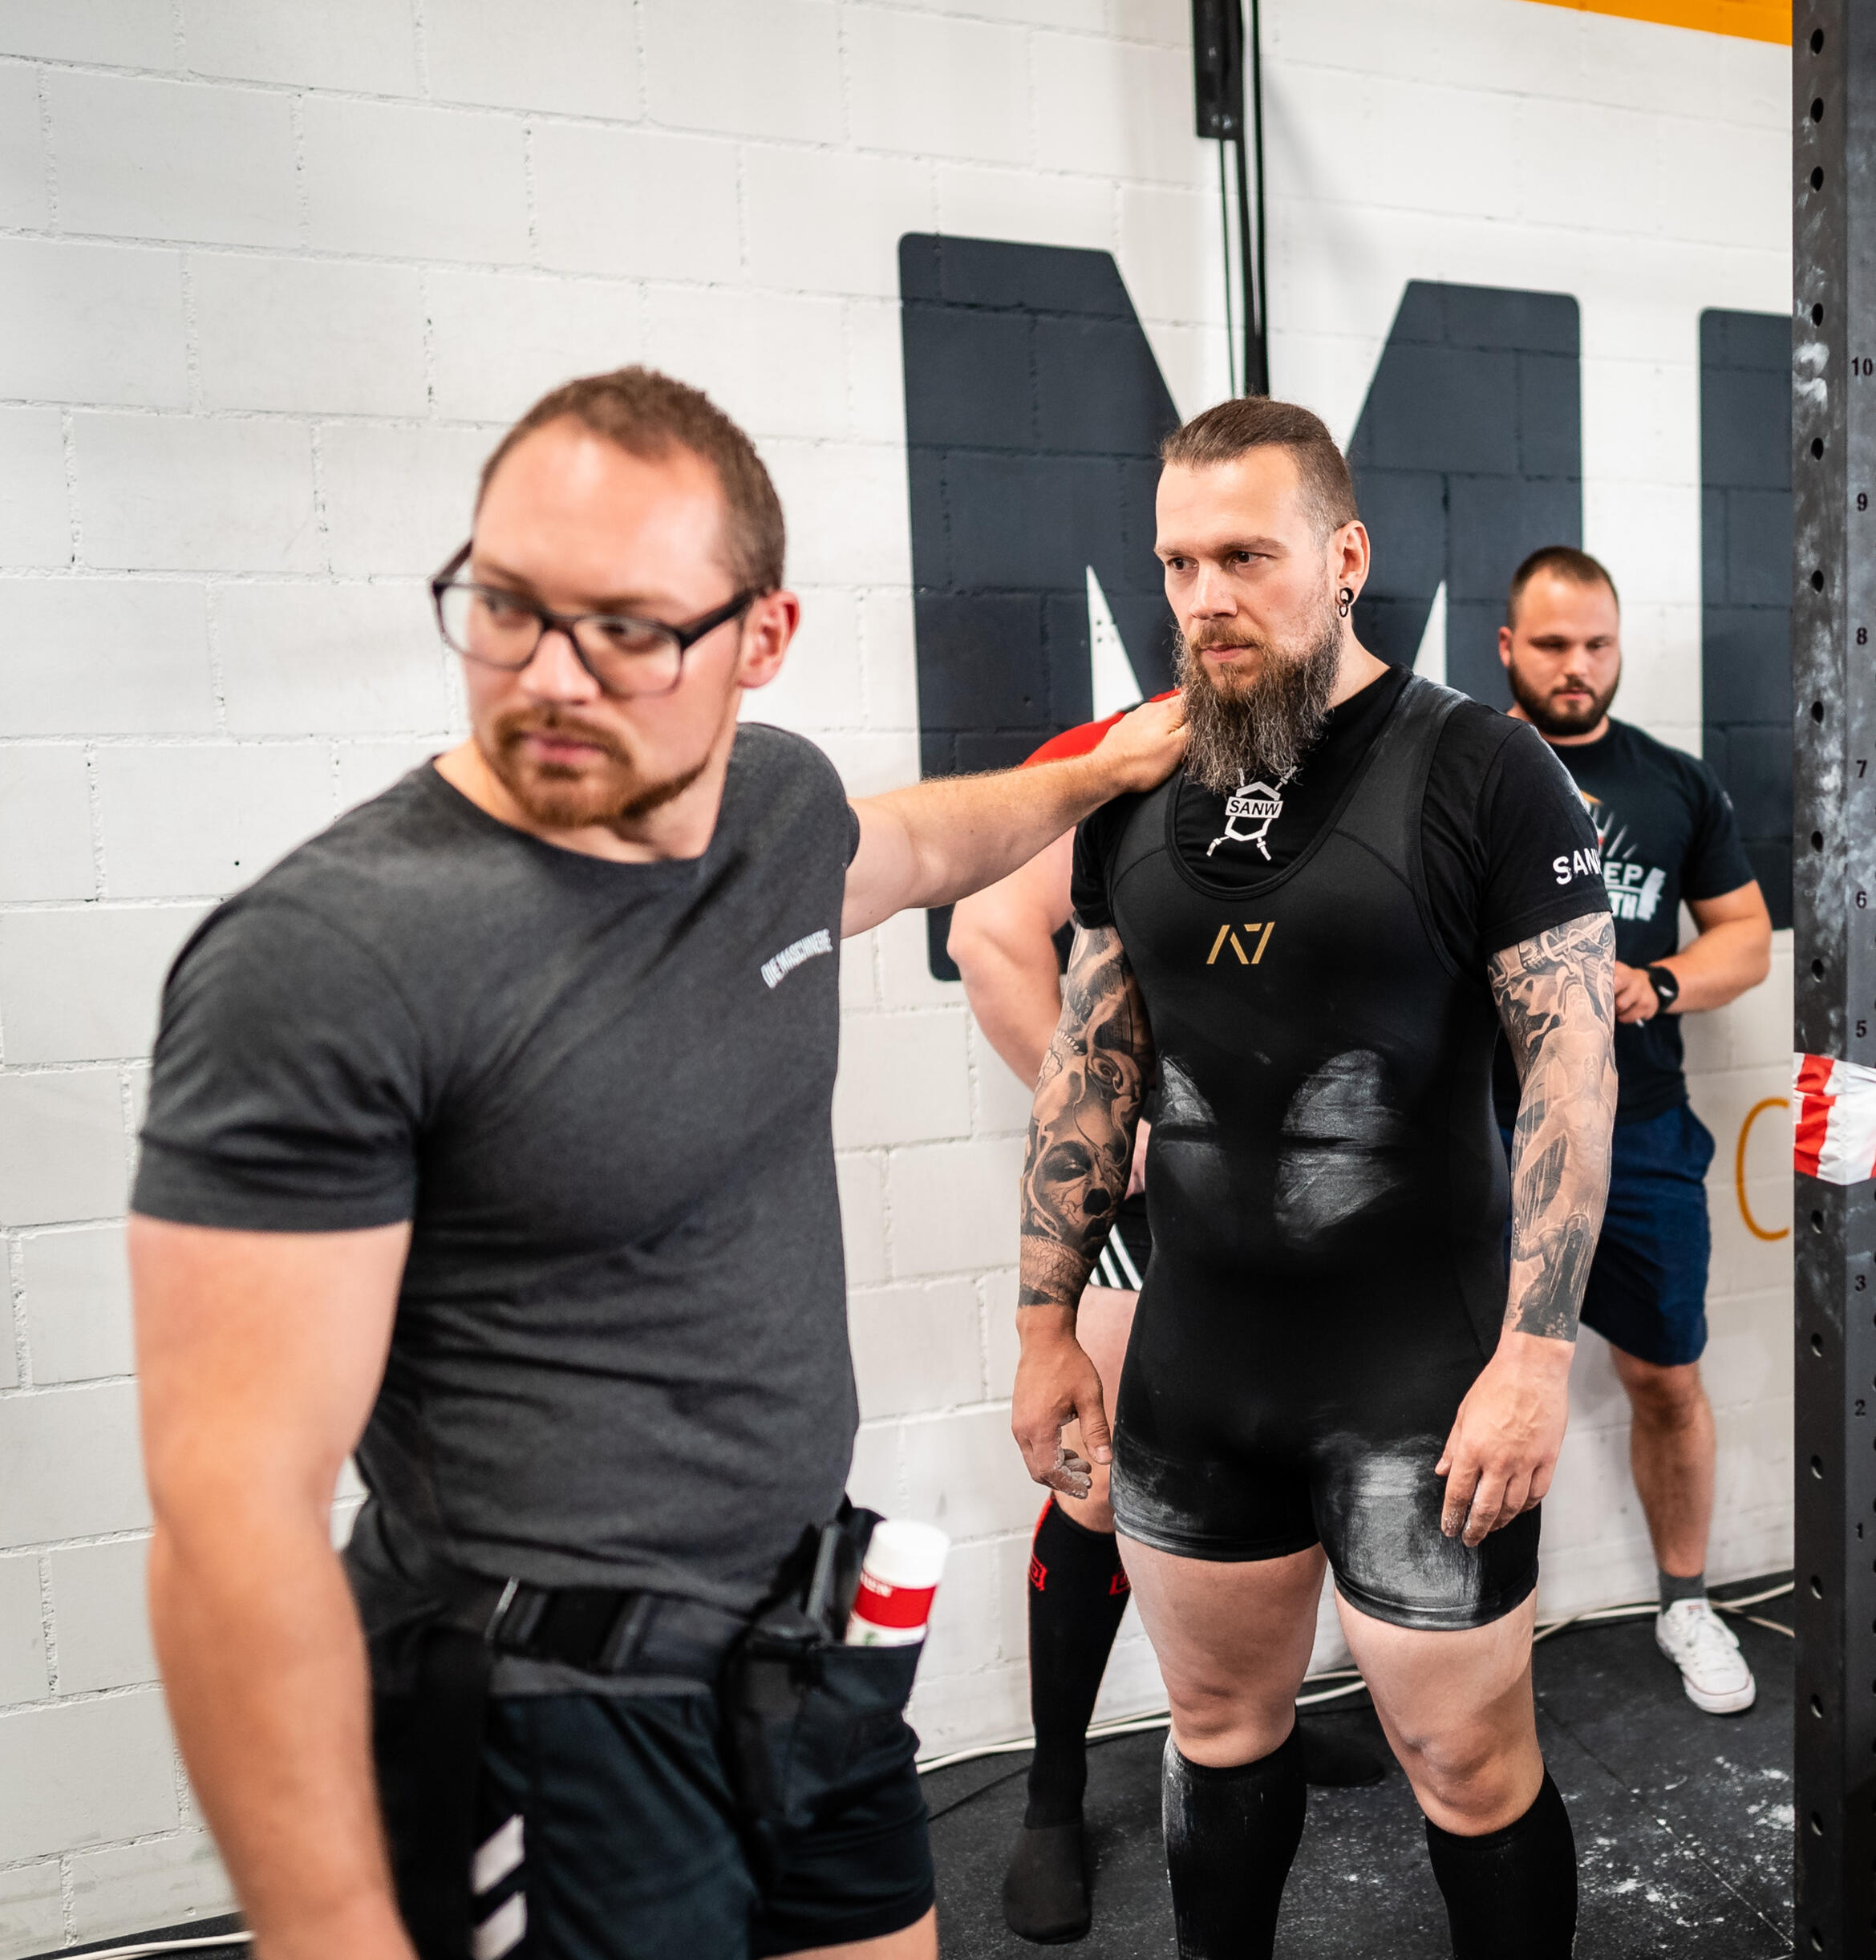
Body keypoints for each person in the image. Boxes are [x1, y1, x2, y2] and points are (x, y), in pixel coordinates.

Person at [128, 366, 1187, 1960]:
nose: (549, 677)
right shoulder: (328, 962)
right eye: (505, 608)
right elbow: (227, 1522)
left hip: (796, 1621)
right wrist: (332, 1929)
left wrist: (1108, 767)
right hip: (538, 1706)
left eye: (627, 627)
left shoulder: (770, 811)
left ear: (762, 639)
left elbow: (924, 840)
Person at [1009, 395, 1619, 1960]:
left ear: (1343, 556)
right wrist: (1040, 1320)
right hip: (1200, 1378)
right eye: (1176, 562)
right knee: (1214, 1731)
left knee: (1467, 1767)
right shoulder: (1136, 780)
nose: (1205, 594)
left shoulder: (1484, 771)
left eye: (1244, 554)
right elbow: (1095, 1061)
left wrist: (1539, 1355)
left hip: (1421, 1383)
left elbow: (1568, 1073)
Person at [950, 711, 1384, 1948]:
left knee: (1292, 1446)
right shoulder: (1132, 749)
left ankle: (1266, 1726)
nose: (1226, 597)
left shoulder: (1370, 750)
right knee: (1105, 1478)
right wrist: (1117, 1134)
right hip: (1165, 1188)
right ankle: (1050, 1797)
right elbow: (988, 933)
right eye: (1197, 566)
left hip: (1313, 1208)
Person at [1493, 545, 1773, 1715]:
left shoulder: (1674, 785)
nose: (1577, 667)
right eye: (1551, 645)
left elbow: (1746, 938)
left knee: (1666, 1377)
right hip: (1488, 1141)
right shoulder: (1465, 772)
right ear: (1507, 648)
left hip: (1643, 1132)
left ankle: (1686, 1602)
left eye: (1596, 644)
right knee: (1478, 1389)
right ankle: (1481, 1635)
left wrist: (1656, 982)